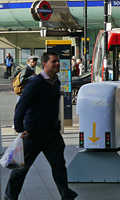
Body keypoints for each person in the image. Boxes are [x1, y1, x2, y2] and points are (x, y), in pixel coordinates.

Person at [6, 51, 78, 200]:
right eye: (54, 62)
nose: (57, 64)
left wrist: (56, 124)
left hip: (51, 133)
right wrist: (20, 129)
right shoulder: (36, 83)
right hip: (34, 133)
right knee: (22, 168)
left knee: (58, 164)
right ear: (45, 64)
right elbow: (21, 106)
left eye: (58, 61)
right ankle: (10, 196)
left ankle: (66, 194)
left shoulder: (56, 81)